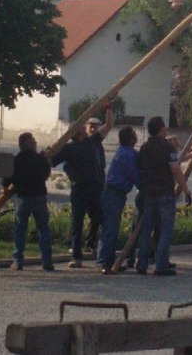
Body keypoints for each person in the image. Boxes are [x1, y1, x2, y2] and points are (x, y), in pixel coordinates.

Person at [52, 105, 113, 268]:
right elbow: (51, 161)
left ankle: (101, 252)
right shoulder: (68, 148)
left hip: (96, 188)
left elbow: (108, 126)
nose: (86, 129)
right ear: (76, 132)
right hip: (79, 189)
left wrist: (108, 109)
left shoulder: (92, 141)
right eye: (81, 127)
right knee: (77, 223)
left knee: (100, 219)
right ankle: (77, 257)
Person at [136, 116, 191, 276]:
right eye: (164, 127)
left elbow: (140, 169)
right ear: (161, 129)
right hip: (165, 193)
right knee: (165, 230)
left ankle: (142, 264)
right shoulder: (168, 148)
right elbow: (176, 169)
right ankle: (161, 266)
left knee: (146, 229)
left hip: (148, 193)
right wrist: (185, 189)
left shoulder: (144, 147)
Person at [3, 133, 54, 272]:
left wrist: (7, 189)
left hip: (22, 197)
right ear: (27, 143)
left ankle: (18, 261)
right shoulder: (39, 159)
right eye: (33, 141)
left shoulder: (16, 160)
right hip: (39, 197)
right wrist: (46, 160)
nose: (36, 143)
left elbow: (6, 181)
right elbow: (45, 175)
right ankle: (47, 261)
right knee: (43, 229)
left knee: (20, 229)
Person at [97, 126, 141, 274]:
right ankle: (104, 262)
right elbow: (134, 175)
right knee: (110, 228)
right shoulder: (127, 155)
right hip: (114, 193)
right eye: (134, 134)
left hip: (115, 193)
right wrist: (145, 187)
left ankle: (109, 261)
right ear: (130, 138)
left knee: (112, 227)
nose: (136, 137)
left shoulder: (126, 152)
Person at [84, 116, 107, 253]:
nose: (93, 129)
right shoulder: (87, 143)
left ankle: (91, 243)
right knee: (92, 215)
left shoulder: (98, 143)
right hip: (88, 185)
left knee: (97, 216)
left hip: (99, 182)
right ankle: (88, 243)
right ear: (86, 127)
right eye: (91, 126)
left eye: (96, 126)